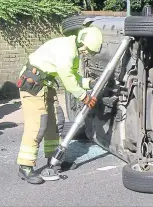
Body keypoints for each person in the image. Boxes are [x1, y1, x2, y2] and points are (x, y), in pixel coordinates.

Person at [16, 26, 103, 184]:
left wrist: (89, 83)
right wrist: (84, 96)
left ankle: (54, 161)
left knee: (56, 121)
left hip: (45, 85)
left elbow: (73, 77)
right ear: (82, 42)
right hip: (33, 85)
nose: (86, 53)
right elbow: (67, 79)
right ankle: (25, 166)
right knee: (37, 125)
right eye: (87, 50)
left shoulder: (73, 51)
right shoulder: (67, 50)